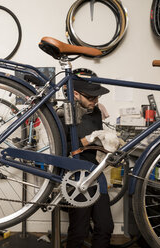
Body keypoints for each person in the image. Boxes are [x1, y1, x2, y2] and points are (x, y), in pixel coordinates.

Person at [61, 79, 114, 248]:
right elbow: (60, 150)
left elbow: (98, 139)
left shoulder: (96, 111)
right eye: (91, 98)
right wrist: (85, 141)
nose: (95, 101)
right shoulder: (62, 115)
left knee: (105, 226)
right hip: (77, 176)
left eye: (97, 98)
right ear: (75, 94)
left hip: (97, 172)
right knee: (79, 230)